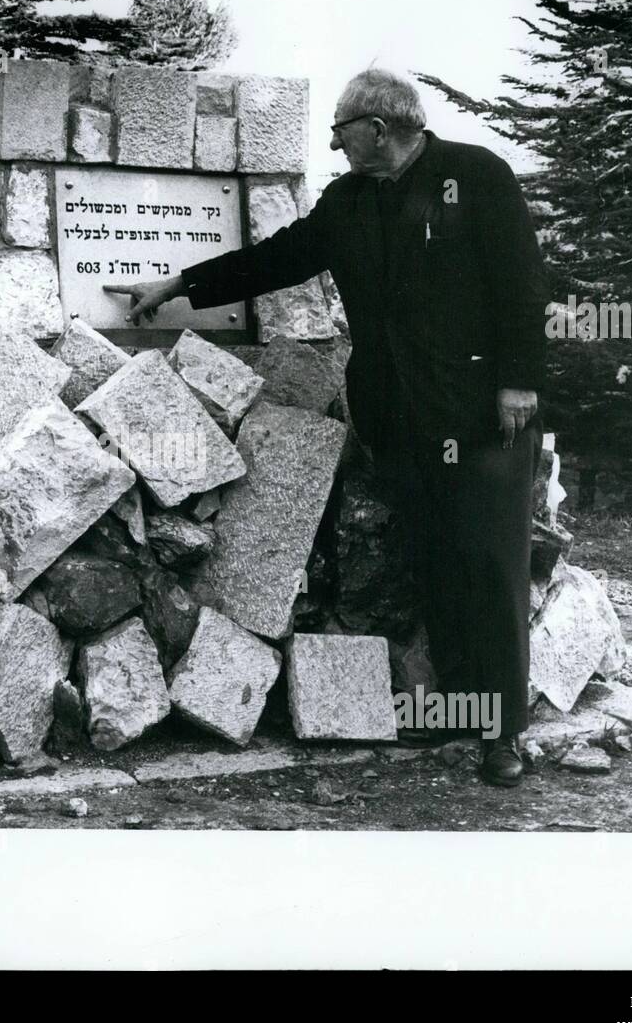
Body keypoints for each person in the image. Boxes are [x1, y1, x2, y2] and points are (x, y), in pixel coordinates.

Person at [103, 68, 548, 788]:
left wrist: (520, 380)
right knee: (437, 564)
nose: (333, 143)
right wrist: (181, 285)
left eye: (340, 129)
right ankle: (464, 711)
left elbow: (523, 281)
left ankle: (506, 734)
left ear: (378, 127)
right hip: (400, 420)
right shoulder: (345, 203)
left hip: (482, 418)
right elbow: (273, 260)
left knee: (492, 568)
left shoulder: (476, 175)